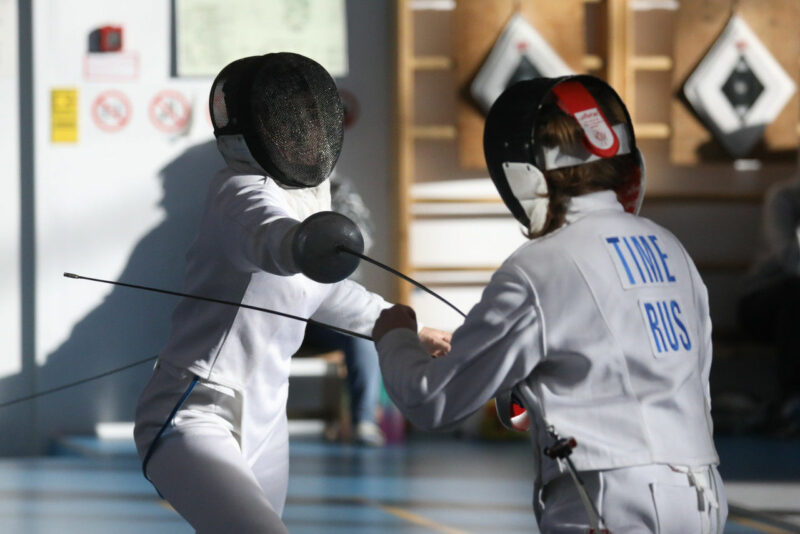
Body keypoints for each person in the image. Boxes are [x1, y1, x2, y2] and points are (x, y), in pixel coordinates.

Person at [373, 76, 727, 533]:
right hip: (703, 497)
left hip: (613, 503)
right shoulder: (670, 248)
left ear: (523, 176)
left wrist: (394, 337)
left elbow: (434, 401)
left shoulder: (539, 267)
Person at [133, 53, 450, 533]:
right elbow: (270, 236)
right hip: (192, 413)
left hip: (265, 416)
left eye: (306, 118)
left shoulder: (312, 195)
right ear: (256, 128)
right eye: (287, 119)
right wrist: (300, 244)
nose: (300, 129)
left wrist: (409, 328)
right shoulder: (239, 191)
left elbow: (322, 293)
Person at [303, 173, 386, 446]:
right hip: (279, 307)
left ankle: (363, 421)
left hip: (329, 310)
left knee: (362, 336)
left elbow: (361, 237)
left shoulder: (339, 188)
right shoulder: (264, 186)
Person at [738, 176, 800, 436]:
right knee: (797, 295)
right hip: (762, 299)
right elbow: (790, 261)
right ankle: (794, 401)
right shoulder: (784, 197)